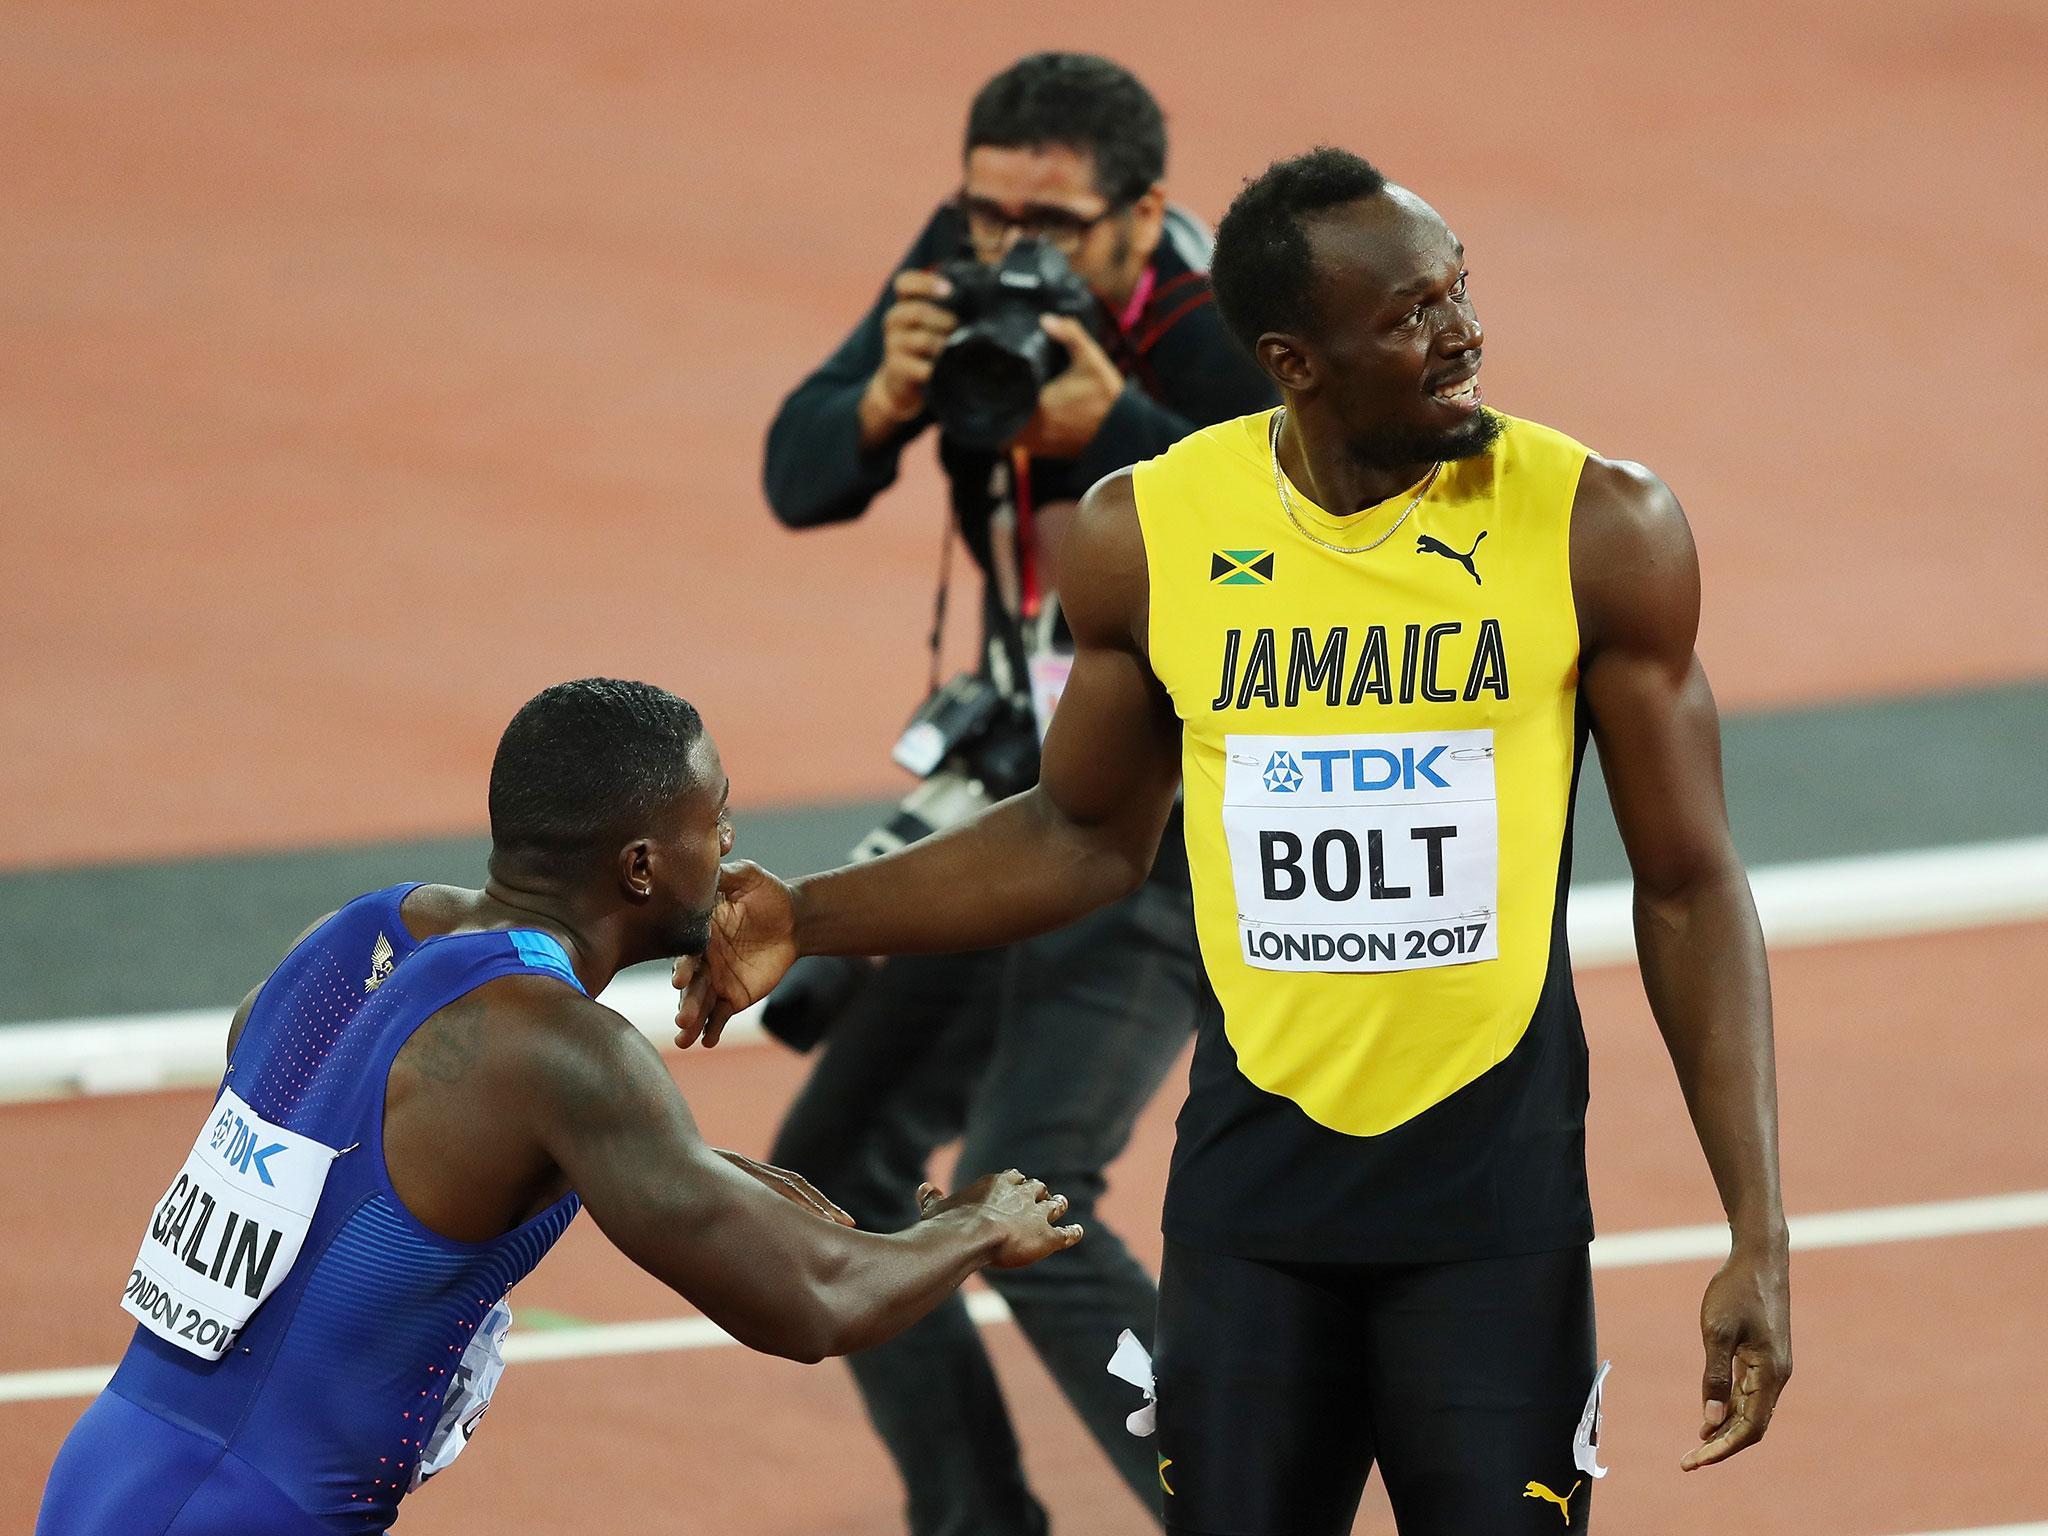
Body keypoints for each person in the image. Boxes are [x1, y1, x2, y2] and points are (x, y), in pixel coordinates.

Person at [679, 149, 1793, 1535]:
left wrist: (1757, 1230)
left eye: (1459, 292)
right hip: (1254, 1218)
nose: (1463, 335)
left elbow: (1688, 885)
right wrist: (814, 915)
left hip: (1492, 1221)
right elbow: (1083, 836)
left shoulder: (1596, 527)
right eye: (1407, 316)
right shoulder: (1147, 533)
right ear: (1294, 359)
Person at [37, 678, 1081, 1536]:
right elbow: (814, 1304)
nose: (731, 851)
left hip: (114, 1465)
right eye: (714, 825)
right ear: (640, 867)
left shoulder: (359, 932)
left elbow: (348, 1125)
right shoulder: (560, 1051)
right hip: (246, 1516)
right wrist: (973, 1224)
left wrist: (649, 1159)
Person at [759, 51, 1272, 1536]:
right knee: (832, 1176)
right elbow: (798, 476)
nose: (1007, 253)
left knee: (1025, 1194)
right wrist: (886, 397)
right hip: (1028, 798)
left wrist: (1117, 438)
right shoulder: (965, 268)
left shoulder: (1230, 326)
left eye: (1046, 226)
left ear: (1142, 216)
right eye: (985, 215)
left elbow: (1314, 561)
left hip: (1173, 823)